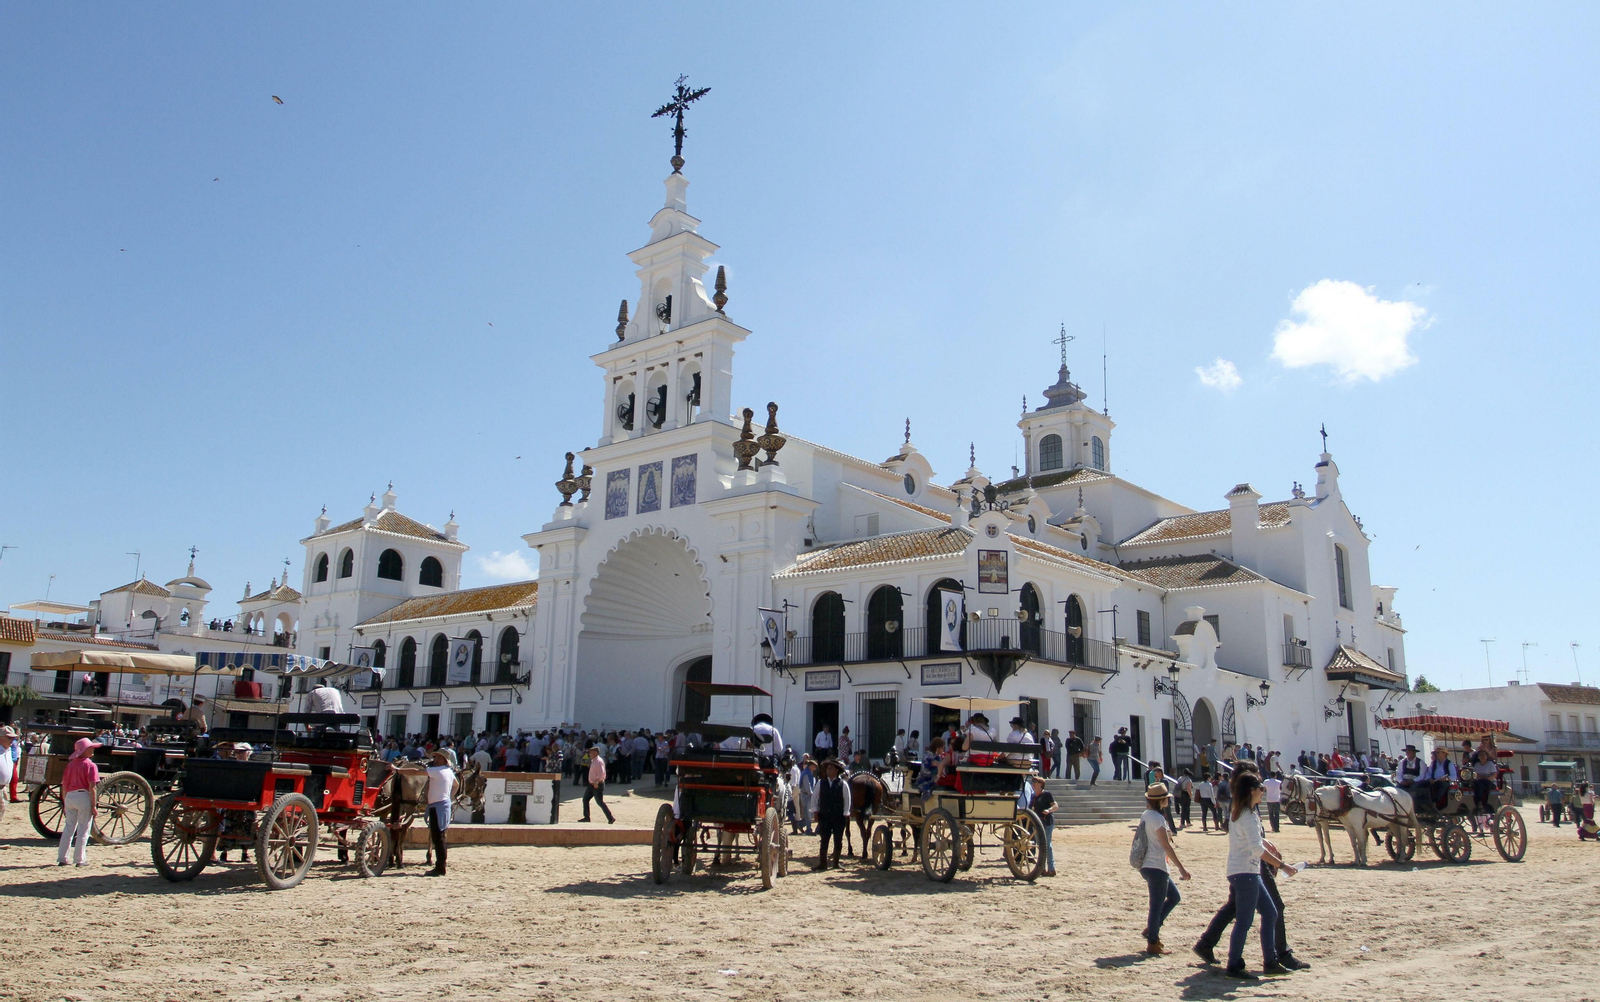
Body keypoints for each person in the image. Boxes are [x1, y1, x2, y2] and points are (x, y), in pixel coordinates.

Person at [1219, 771, 1296, 979]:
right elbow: (1256, 849)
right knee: (1245, 920)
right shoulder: (1246, 815)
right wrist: (1282, 865)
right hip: (1245, 872)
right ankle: (1234, 964)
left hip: (1246, 871)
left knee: (1270, 913)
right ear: (1251, 791)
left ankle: (1269, 961)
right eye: (1260, 789)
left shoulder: (1245, 812)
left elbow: (1257, 844)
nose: (1263, 792)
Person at [1137, 781, 1191, 954]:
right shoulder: (1158, 818)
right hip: (1156, 865)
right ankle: (1153, 941)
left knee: (1173, 897)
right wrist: (1181, 868)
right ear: (1161, 801)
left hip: (1148, 865)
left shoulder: (1146, 814)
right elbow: (1166, 846)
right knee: (1157, 905)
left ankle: (1151, 930)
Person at [58, 737, 101, 867]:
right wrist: (94, 805)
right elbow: (92, 787)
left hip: (70, 797)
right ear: (85, 750)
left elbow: (64, 785)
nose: (93, 749)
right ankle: (79, 860)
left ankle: (62, 858)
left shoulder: (70, 765)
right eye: (90, 747)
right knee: (83, 829)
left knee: (68, 828)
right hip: (83, 796)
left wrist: (65, 802)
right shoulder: (90, 765)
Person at [812, 758, 852, 870]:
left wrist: (845, 814)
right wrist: (815, 811)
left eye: (831, 768)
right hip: (824, 816)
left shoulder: (843, 784)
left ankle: (836, 863)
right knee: (824, 839)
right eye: (827, 768)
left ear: (836, 771)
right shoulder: (821, 783)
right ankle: (822, 863)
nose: (828, 770)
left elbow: (847, 800)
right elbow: (815, 798)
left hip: (839, 816)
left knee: (838, 840)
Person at [423, 749, 455, 876]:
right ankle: (441, 865)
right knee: (440, 837)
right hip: (443, 805)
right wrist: (449, 797)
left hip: (437, 807)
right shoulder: (449, 772)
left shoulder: (437, 771)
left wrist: (397, 769)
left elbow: (416, 772)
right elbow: (456, 785)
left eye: (436, 757)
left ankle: (440, 867)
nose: (434, 759)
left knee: (438, 838)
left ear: (442, 759)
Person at [1028, 773, 1057, 877]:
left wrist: (1048, 810)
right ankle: (1042, 869)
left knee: (1047, 845)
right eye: (1033, 782)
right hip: (1037, 823)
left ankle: (1051, 868)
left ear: (1041, 784)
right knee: (1040, 845)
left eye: (1035, 782)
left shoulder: (1046, 795)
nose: (1033, 784)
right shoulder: (1033, 796)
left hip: (1046, 822)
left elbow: (1055, 806)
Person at [580, 744, 615, 824]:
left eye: (591, 752)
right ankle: (586, 817)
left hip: (597, 784)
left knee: (599, 802)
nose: (589, 754)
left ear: (596, 752)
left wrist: (597, 782)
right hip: (591, 784)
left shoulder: (598, 761)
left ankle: (610, 818)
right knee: (585, 799)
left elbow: (602, 774)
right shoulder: (594, 761)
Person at [794, 757, 818, 835]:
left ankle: (800, 825)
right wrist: (811, 794)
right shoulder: (806, 774)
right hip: (806, 795)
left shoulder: (809, 773)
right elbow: (807, 785)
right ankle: (808, 830)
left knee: (809, 814)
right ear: (811, 766)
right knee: (808, 813)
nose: (815, 768)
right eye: (814, 766)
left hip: (808, 795)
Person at [0, 726, 16, 829]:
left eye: (13, 737)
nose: (12, 740)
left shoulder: (8, 750)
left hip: (2, 787)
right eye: (9, 738)